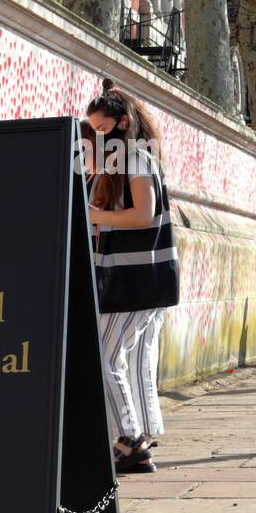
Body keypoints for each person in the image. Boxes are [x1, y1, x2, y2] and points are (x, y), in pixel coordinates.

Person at [85, 80, 180, 474]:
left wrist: (91, 216)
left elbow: (143, 215)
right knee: (134, 359)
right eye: (92, 129)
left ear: (123, 123)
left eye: (102, 128)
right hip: (145, 277)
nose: (95, 135)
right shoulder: (123, 160)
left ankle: (133, 440)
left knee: (106, 358)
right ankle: (135, 438)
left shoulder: (136, 159)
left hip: (136, 279)